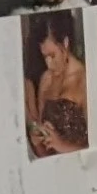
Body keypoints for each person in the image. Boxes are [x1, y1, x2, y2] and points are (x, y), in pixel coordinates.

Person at [25, 10, 88, 158]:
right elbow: (44, 153)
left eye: (52, 56)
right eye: (44, 57)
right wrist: (37, 142)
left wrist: (62, 145)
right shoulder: (45, 80)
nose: (49, 64)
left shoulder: (84, 79)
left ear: (65, 43)